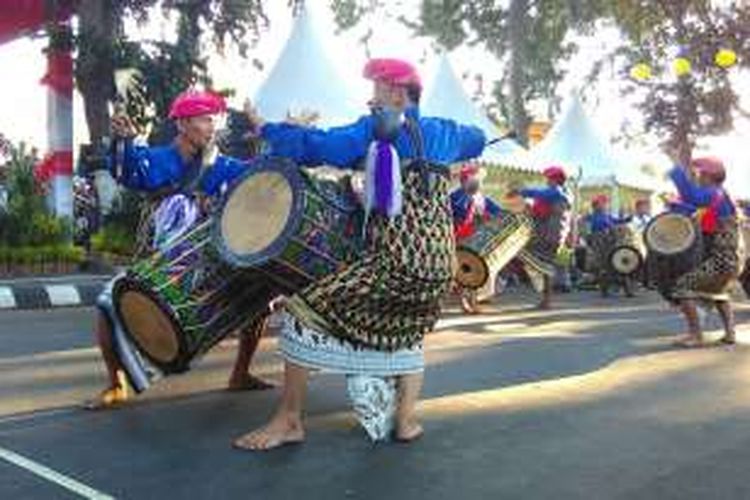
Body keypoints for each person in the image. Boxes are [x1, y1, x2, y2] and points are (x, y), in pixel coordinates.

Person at [233, 58, 486, 450]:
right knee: (410, 327)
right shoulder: (446, 131)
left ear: (398, 94)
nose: (371, 100)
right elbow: (479, 137)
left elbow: (318, 146)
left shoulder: (374, 131)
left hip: (396, 262)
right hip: (440, 267)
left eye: (377, 91)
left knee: (302, 309)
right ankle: (405, 420)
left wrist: (267, 128)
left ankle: (289, 419)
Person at [86, 90, 272, 410]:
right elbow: (127, 171)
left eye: (212, 120)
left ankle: (240, 373)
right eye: (203, 120)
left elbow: (256, 176)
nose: (211, 127)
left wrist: (269, 138)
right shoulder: (157, 159)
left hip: (208, 256)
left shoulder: (221, 164)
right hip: (161, 257)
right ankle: (115, 383)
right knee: (108, 304)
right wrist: (124, 142)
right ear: (184, 124)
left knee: (260, 298)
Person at [665, 157, 739, 347]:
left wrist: (676, 171)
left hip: (721, 260)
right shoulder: (720, 195)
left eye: (699, 174)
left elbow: (692, 196)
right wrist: (676, 205)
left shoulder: (713, 192)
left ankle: (696, 335)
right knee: (719, 291)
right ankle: (730, 333)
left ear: (708, 175)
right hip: (731, 260)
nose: (697, 177)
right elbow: (697, 210)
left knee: (681, 287)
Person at [450, 164, 502, 314]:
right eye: (474, 179)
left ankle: (472, 301)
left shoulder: (482, 198)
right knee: (462, 269)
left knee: (474, 270)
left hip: (476, 238)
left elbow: (497, 211)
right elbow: (454, 211)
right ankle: (463, 302)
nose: (478, 182)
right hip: (460, 236)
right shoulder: (457, 196)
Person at [515, 166, 570, 309]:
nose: (547, 181)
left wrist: (522, 191)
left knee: (543, 265)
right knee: (545, 266)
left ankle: (547, 300)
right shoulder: (556, 194)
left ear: (556, 180)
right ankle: (546, 299)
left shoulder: (556, 192)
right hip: (549, 234)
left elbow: (539, 194)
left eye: (549, 178)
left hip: (550, 235)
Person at [583, 194, 635, 297]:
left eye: (605, 203)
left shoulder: (607, 216)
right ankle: (605, 290)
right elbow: (592, 230)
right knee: (604, 267)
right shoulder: (591, 217)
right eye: (602, 203)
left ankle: (626, 290)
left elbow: (617, 222)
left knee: (618, 264)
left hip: (611, 242)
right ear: (596, 206)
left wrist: (627, 219)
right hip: (600, 244)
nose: (605, 205)